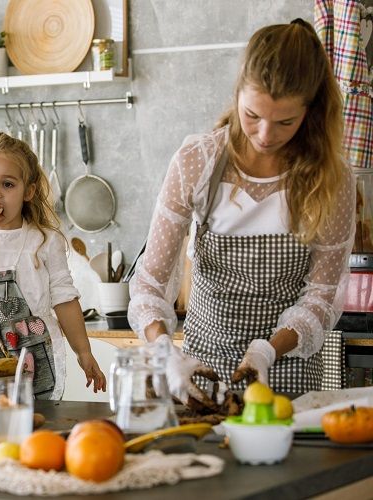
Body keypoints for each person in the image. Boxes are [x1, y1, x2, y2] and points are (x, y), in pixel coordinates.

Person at [128, 19, 355, 406]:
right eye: (252, 115)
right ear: (238, 94)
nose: (265, 135)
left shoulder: (330, 181)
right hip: (200, 369)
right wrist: (167, 354)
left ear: (311, 111)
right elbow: (150, 284)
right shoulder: (197, 162)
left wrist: (266, 352)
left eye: (285, 121)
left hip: (288, 371)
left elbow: (321, 297)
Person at [0, 132, 106, 400]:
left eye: (7, 184)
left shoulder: (43, 241)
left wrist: (83, 352)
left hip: (32, 358)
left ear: (29, 192)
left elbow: (64, 299)